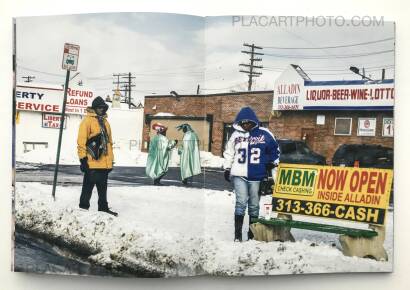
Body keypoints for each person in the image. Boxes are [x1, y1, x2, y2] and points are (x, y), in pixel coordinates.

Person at [223, 107, 280, 242]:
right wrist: (227, 167)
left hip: (257, 175)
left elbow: (275, 150)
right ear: (239, 123)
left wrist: (273, 162)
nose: (246, 125)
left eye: (249, 122)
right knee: (240, 203)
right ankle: (237, 236)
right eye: (243, 123)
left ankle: (251, 234)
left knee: (254, 205)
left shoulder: (264, 133)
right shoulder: (235, 135)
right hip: (239, 174)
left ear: (254, 121)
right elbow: (229, 152)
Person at [77, 96, 118, 216]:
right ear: (94, 108)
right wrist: (83, 159)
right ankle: (83, 209)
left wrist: (110, 162)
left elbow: (109, 143)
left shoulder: (106, 122)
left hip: (104, 163)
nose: (102, 109)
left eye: (103, 107)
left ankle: (103, 208)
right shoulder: (87, 121)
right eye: (99, 107)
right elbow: (81, 141)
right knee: (87, 188)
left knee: (103, 188)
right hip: (91, 161)